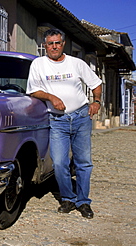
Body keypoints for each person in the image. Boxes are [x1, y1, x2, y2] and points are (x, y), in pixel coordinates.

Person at [26, 29, 102, 219]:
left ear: (63, 44)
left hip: (81, 117)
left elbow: (95, 83)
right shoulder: (38, 64)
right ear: (45, 46)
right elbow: (33, 90)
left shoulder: (77, 63)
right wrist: (51, 97)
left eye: (57, 43)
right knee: (59, 163)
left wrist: (97, 101)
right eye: (50, 43)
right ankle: (68, 198)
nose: (54, 46)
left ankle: (83, 201)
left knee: (83, 162)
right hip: (57, 120)